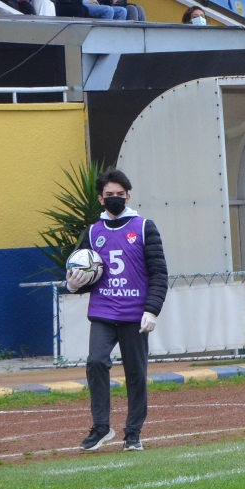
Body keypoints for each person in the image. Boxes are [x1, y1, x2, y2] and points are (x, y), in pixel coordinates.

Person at [63, 169, 169, 452]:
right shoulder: (93, 232)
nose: (115, 199)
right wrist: (74, 285)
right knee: (96, 361)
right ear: (100, 199)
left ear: (128, 196)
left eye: (119, 195)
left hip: (135, 315)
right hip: (103, 311)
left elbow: (159, 272)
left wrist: (152, 310)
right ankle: (101, 427)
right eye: (109, 195)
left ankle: (133, 433)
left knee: (136, 373)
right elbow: (87, 274)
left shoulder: (145, 227)